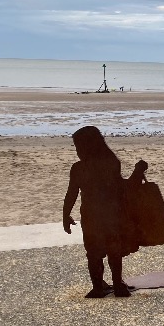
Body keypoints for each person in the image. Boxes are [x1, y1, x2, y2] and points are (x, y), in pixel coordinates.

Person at [63, 126, 147, 298]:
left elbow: (71, 194)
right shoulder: (110, 163)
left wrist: (66, 215)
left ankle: (98, 287)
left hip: (91, 217)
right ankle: (117, 285)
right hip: (111, 216)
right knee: (113, 251)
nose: (78, 151)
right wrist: (138, 171)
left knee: (93, 253)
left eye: (79, 147)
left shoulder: (78, 168)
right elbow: (123, 188)